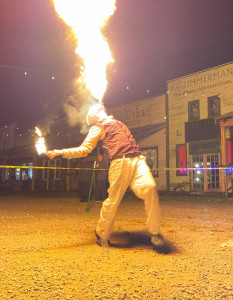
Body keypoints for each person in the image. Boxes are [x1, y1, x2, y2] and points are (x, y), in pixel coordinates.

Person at [46, 103, 164, 247]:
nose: (100, 110)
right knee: (113, 201)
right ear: (96, 116)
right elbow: (84, 150)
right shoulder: (97, 127)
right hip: (120, 162)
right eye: (97, 110)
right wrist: (60, 152)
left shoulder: (118, 122)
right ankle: (101, 232)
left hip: (138, 160)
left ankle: (155, 232)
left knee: (150, 188)